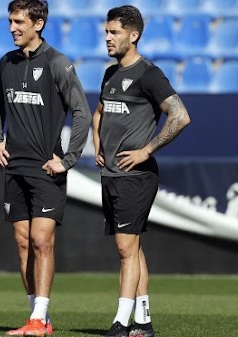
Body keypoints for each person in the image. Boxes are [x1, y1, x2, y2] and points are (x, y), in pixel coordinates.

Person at [0, 0, 91, 336]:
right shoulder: (7, 63)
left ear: (39, 23)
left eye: (19, 21)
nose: (13, 27)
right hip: (13, 167)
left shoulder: (58, 63)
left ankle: (39, 317)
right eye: (10, 21)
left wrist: (69, 158)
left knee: (41, 240)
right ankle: (38, 318)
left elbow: (82, 113)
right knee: (22, 242)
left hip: (47, 168)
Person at [92, 5, 191, 337]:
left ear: (133, 35)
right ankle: (144, 322)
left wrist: (147, 149)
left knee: (124, 249)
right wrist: (98, 145)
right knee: (132, 248)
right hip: (112, 175)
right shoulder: (110, 73)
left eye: (114, 32)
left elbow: (179, 116)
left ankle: (120, 322)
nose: (107, 37)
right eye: (106, 31)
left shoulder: (149, 74)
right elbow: (100, 111)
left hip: (137, 176)